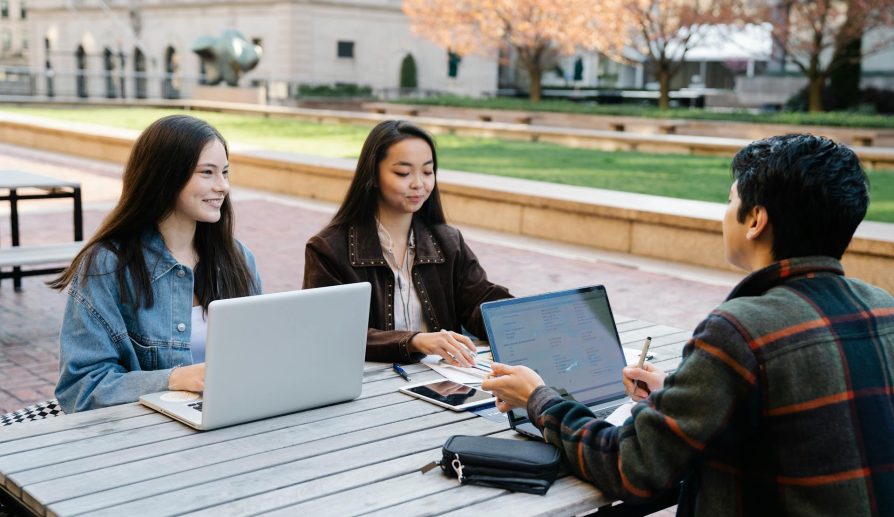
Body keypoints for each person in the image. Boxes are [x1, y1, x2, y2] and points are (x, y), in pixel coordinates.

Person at [483, 134, 894, 516]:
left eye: (730, 200)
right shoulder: (884, 309)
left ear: (755, 220)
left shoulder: (739, 331)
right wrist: (680, 398)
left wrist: (538, 399)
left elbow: (633, 466)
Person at [51, 115, 262, 413]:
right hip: (147, 439)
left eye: (225, 172)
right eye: (207, 173)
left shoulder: (238, 258)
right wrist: (175, 379)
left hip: (234, 419)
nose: (223, 186)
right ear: (166, 177)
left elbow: (258, 357)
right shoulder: (107, 265)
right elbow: (81, 387)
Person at [303, 120, 511, 365]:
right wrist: (414, 341)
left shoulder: (448, 242)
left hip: (444, 382)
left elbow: (481, 301)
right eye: (403, 173)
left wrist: (517, 317)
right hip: (367, 386)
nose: (418, 184)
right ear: (373, 175)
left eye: (427, 171)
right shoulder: (328, 249)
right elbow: (330, 332)